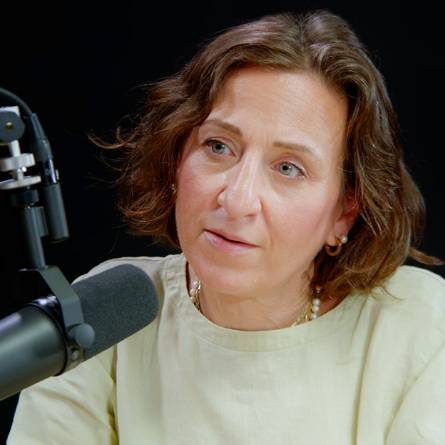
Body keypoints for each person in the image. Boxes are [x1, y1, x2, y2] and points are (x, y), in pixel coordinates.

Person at [7, 10, 445, 445]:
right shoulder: (102, 317)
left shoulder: (419, 324)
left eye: (288, 168)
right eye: (219, 146)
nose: (237, 199)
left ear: (343, 214)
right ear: (177, 157)